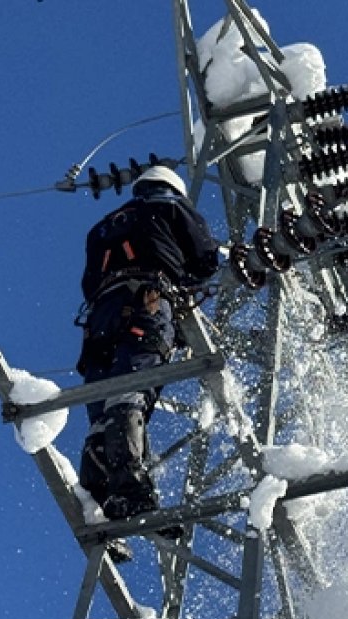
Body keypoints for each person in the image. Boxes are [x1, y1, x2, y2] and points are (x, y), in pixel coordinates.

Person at [76, 165, 219, 521]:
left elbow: (88, 282)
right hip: (146, 303)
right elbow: (205, 259)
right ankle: (130, 488)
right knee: (132, 389)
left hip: (99, 319)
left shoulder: (102, 226)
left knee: (103, 405)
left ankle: (99, 498)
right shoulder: (171, 206)